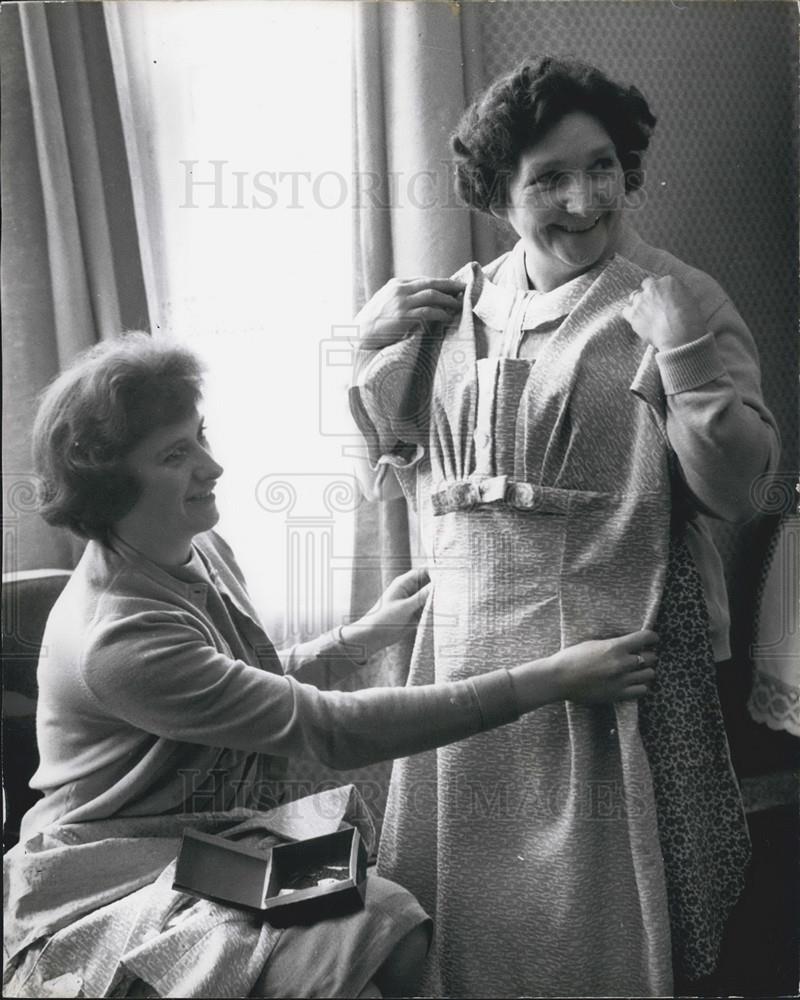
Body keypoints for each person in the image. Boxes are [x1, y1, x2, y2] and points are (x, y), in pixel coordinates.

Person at [2, 333, 658, 1000]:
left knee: (396, 926)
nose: (213, 466)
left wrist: (361, 636)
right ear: (110, 485)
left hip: (207, 849)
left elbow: (240, 682)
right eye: (176, 455)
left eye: (201, 436)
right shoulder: (119, 638)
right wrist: (549, 680)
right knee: (355, 953)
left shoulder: (193, 543)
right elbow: (329, 731)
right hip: (113, 879)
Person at [349, 56, 780, 997]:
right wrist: (368, 348)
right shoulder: (453, 305)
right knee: (475, 914)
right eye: (547, 178)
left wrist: (688, 355)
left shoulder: (682, 298)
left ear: (628, 169)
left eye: (603, 168)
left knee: (613, 923)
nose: (583, 199)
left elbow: (733, 491)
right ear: (500, 196)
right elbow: (397, 461)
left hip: (614, 663)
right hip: (467, 667)